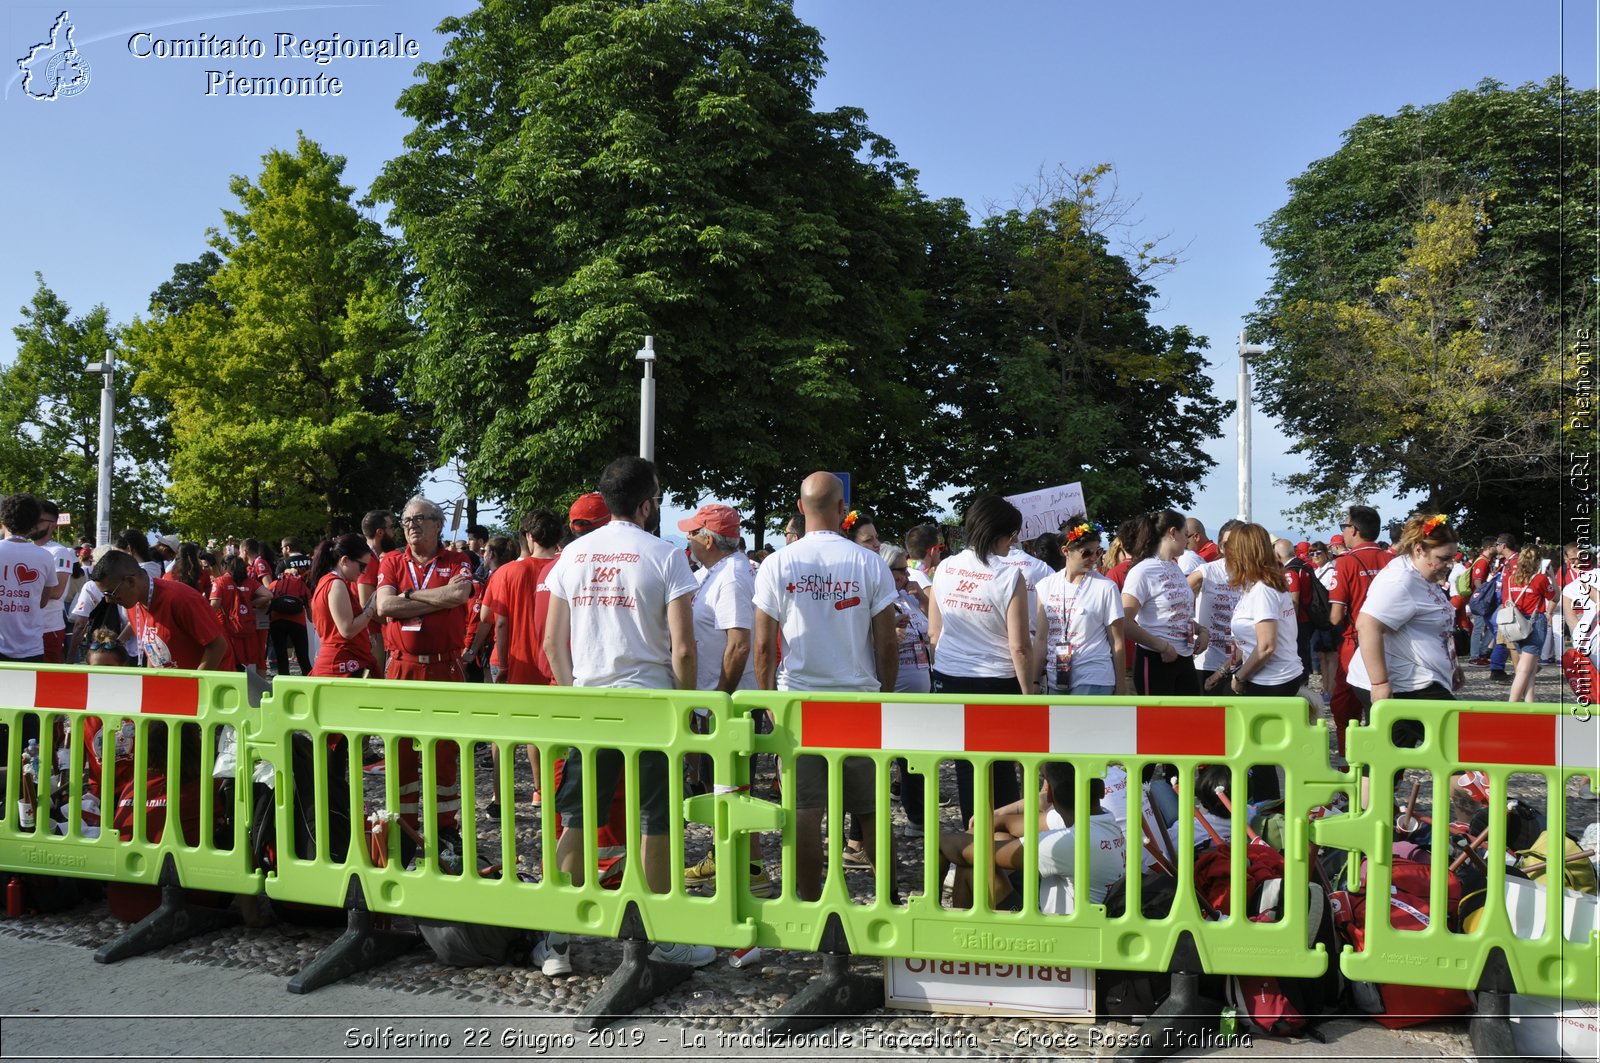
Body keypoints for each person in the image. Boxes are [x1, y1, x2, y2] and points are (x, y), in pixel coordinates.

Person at [541, 457, 705, 972]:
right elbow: (682, 648)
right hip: (651, 704)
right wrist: (686, 704)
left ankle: (558, 939)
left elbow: (551, 641)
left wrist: (573, 693)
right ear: (648, 502)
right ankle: (659, 934)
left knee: (576, 815)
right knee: (655, 817)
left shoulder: (572, 555)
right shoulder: (665, 555)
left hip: (591, 703)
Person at [754, 471, 897, 902]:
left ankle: (807, 901)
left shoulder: (778, 562)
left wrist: (768, 704)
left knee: (803, 810)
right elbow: (887, 643)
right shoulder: (869, 562)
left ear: (800, 508)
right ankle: (886, 899)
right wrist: (886, 698)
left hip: (799, 704)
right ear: (841, 510)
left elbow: (763, 646)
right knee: (871, 810)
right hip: (858, 702)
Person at [374, 497, 477, 859]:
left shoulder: (457, 560)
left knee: (445, 748)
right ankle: (404, 827)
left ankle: (445, 827)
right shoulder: (391, 560)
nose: (412, 526)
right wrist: (437, 599)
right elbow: (384, 606)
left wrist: (409, 597)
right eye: (406, 521)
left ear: (438, 524)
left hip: (444, 667)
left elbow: (460, 593)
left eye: (420, 519)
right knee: (399, 747)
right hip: (401, 665)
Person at [928, 495, 1033, 832]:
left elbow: (934, 632)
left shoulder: (944, 567)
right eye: (1013, 535)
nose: (1014, 542)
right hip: (996, 681)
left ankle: (973, 846)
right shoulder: (1008, 576)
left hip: (950, 677)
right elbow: (1019, 646)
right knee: (1001, 769)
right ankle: (1004, 854)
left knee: (967, 766)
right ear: (1000, 534)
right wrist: (1029, 693)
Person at [938, 761, 1125, 913]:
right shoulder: (1102, 819)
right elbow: (1009, 824)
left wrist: (937, 840)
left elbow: (974, 853)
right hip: (1081, 924)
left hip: (1057, 939)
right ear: (1101, 790)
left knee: (971, 867)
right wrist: (982, 828)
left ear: (1049, 794)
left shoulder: (1070, 843)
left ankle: (956, 939)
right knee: (997, 837)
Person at [1347, 513, 1462, 746]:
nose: (1449, 565)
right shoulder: (1401, 580)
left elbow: (1437, 625)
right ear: (1419, 550)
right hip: (1406, 682)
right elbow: (1367, 625)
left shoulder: (1422, 575)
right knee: (1460, 749)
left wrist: (1453, 665)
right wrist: (1379, 684)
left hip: (1416, 678)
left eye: (1452, 558)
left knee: (1387, 762)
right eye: (1443, 558)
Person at [479, 509, 564, 814]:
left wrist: (502, 665)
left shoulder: (507, 573)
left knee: (503, 734)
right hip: (554, 667)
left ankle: (501, 799)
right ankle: (543, 790)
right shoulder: (565, 568)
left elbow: (493, 619)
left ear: (528, 537)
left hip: (516, 662)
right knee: (547, 733)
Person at [1031, 517, 1128, 697]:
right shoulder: (1045, 585)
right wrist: (1034, 680)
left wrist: (1121, 686)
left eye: (1097, 552)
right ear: (1066, 551)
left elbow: (1117, 641)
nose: (1093, 558)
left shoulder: (1106, 587)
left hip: (1094, 676)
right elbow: (1041, 639)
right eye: (1086, 553)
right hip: (1057, 677)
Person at [92, 549, 233, 671]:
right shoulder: (133, 605)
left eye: (110, 593)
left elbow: (218, 646)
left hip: (209, 691)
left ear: (130, 582)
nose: (108, 600)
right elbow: (154, 654)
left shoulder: (180, 599)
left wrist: (193, 686)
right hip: (173, 689)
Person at [1326, 505, 1391, 756]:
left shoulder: (1346, 562)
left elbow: (1335, 616)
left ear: (1353, 529)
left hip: (1355, 641)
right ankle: (1382, 770)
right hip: (1389, 641)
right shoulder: (1391, 560)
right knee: (1382, 713)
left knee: (1345, 710)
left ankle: (1349, 767)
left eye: (1344, 526)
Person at [1121, 509, 1206, 695]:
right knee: (1156, 723)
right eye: (1186, 535)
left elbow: (1177, 614)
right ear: (1172, 532)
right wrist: (1162, 646)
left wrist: (1202, 630)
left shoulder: (1175, 567)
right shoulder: (1142, 571)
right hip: (1155, 658)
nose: (1188, 540)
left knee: (1188, 720)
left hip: (1183, 656)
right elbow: (1125, 623)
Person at [879, 542, 933, 836]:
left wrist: (922, 598)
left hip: (920, 686)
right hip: (894, 688)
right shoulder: (879, 600)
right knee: (899, 755)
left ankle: (916, 818)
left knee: (915, 756)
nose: (906, 574)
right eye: (900, 569)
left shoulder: (908, 596)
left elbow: (935, 624)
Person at [0, 493, 64, 663]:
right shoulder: (45, 557)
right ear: (32, 525)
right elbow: (42, 602)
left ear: (3, 521)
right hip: (30, 646)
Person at [307, 534, 378, 678]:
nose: (364, 571)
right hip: (342, 664)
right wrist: (371, 607)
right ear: (345, 560)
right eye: (362, 566)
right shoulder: (336, 583)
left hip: (339, 661)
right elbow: (347, 630)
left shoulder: (327, 581)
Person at [1187, 519, 1241, 685]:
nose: (1231, 549)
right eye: (1226, 544)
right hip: (1207, 661)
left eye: (1237, 543)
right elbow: (1176, 605)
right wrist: (1197, 631)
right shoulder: (1206, 572)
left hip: (1242, 663)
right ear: (1220, 547)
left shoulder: (1254, 577)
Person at [1502, 545, 1554, 704]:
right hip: (1534, 622)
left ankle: (1530, 703)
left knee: (1529, 668)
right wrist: (1552, 576)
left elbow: (1505, 601)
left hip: (1515, 623)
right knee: (1524, 669)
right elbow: (1555, 597)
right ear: (1538, 561)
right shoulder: (1540, 579)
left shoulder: (1510, 578)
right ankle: (1512, 705)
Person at [29, 500, 75, 664]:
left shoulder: (59, 552)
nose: (35, 525)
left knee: (48, 680)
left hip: (48, 628)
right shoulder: (26, 548)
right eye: (33, 519)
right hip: (25, 626)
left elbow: (56, 591)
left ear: (53, 524)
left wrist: (21, 591)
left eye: (40, 521)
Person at [210, 556, 270, 674]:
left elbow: (214, 606)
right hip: (247, 626)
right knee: (249, 660)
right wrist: (250, 603)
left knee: (230, 661)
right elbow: (268, 595)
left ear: (225, 567)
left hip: (226, 627)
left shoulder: (220, 581)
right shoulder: (250, 582)